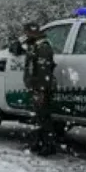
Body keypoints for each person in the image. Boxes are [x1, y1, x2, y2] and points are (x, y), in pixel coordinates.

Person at [22, 21, 57, 155]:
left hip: (41, 87)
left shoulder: (43, 47)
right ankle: (37, 143)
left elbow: (44, 71)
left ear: (32, 32)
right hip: (36, 86)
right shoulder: (34, 45)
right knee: (37, 116)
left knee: (43, 117)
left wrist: (40, 90)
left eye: (26, 32)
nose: (25, 34)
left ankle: (48, 146)